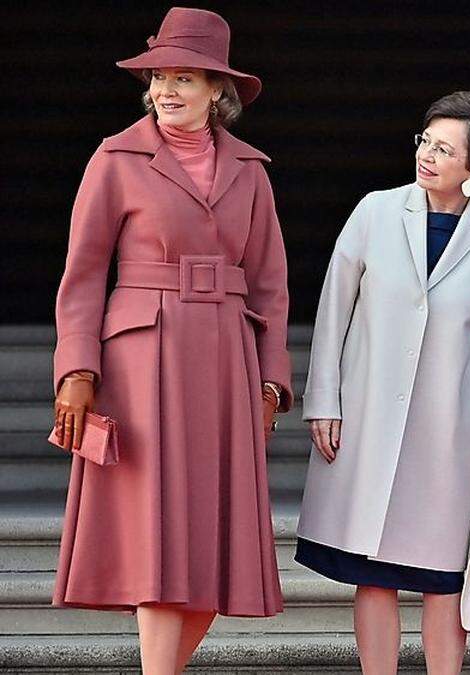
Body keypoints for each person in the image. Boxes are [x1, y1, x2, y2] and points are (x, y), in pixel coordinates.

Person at [50, 7, 291, 673]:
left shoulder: (251, 170)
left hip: (226, 364)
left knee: (218, 554)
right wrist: (76, 369)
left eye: (184, 77)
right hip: (139, 362)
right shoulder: (116, 157)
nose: (166, 90)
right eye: (159, 76)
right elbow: (83, 275)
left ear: (219, 90)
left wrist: (272, 381)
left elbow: (271, 285)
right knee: (158, 545)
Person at [296, 91, 470, 675]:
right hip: (368, 414)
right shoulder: (374, 210)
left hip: (451, 427)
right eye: (426, 141)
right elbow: (332, 311)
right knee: (373, 572)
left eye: (446, 150)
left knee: (444, 576)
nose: (427, 156)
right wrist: (324, 400)